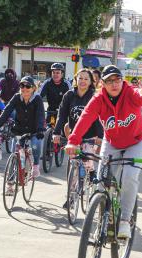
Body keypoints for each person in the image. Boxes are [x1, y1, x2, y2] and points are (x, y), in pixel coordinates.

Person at [65, 65, 142, 238]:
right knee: (101, 182)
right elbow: (85, 118)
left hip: (138, 142)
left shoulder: (130, 92)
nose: (114, 84)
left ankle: (125, 221)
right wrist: (73, 141)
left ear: (122, 81)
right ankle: (102, 220)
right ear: (102, 84)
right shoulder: (98, 99)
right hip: (112, 143)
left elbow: (140, 98)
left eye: (117, 80)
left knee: (128, 177)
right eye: (109, 81)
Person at [53, 69, 104, 209]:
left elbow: (99, 118)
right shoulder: (69, 95)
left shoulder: (94, 96)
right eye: (80, 78)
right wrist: (56, 133)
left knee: (87, 159)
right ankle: (71, 197)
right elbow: (62, 115)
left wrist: (100, 136)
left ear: (91, 82)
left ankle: (91, 174)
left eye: (86, 79)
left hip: (90, 135)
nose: (82, 81)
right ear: (76, 79)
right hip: (74, 136)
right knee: (74, 166)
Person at [0, 76, 45, 184]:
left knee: (36, 144)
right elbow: (7, 111)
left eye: (28, 86)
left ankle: (35, 165)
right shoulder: (16, 97)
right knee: (15, 153)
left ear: (33, 88)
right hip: (18, 130)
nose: (24, 88)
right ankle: (10, 181)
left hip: (34, 130)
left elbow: (40, 115)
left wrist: (40, 129)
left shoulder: (37, 99)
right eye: (22, 86)